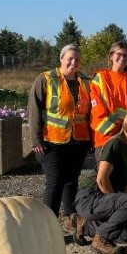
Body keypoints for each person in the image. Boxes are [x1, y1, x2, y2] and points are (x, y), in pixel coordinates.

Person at [27, 44, 92, 230]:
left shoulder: (86, 82)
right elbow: (34, 110)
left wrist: (91, 139)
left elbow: (90, 114)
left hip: (78, 141)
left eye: (77, 59)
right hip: (51, 142)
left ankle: (70, 220)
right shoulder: (45, 79)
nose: (74, 62)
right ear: (61, 59)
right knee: (55, 182)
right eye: (70, 58)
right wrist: (35, 139)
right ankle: (47, 227)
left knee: (71, 181)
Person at [72, 108, 127, 254]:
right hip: (90, 196)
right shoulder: (116, 144)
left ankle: (85, 225)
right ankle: (101, 239)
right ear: (126, 124)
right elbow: (101, 180)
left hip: (105, 200)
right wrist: (119, 204)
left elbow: (125, 182)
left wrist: (122, 206)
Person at [89, 41, 127, 160]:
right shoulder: (100, 78)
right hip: (105, 139)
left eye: (126, 55)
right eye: (119, 54)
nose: (122, 57)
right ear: (111, 56)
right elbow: (97, 110)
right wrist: (116, 132)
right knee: (106, 178)